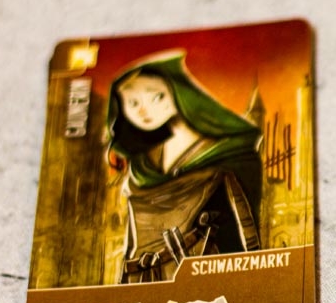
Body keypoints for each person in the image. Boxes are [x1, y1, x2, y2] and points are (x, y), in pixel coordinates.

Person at [107, 50, 263, 283]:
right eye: (132, 102)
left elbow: (240, 236)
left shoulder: (229, 156)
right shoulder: (142, 166)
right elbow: (133, 243)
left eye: (156, 97)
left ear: (179, 92)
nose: (143, 110)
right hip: (144, 281)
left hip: (204, 281)